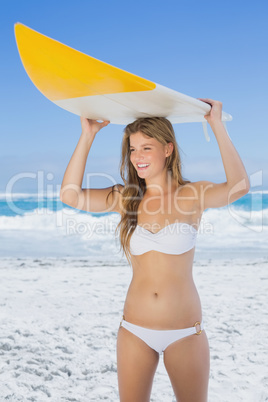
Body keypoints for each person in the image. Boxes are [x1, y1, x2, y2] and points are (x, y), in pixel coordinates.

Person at [60, 98, 250, 402]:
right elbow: (70, 195)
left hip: (185, 333)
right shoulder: (126, 198)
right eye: (132, 149)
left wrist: (216, 125)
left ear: (168, 148)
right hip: (134, 330)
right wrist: (88, 135)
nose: (137, 157)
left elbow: (239, 186)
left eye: (146, 147)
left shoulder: (192, 195)